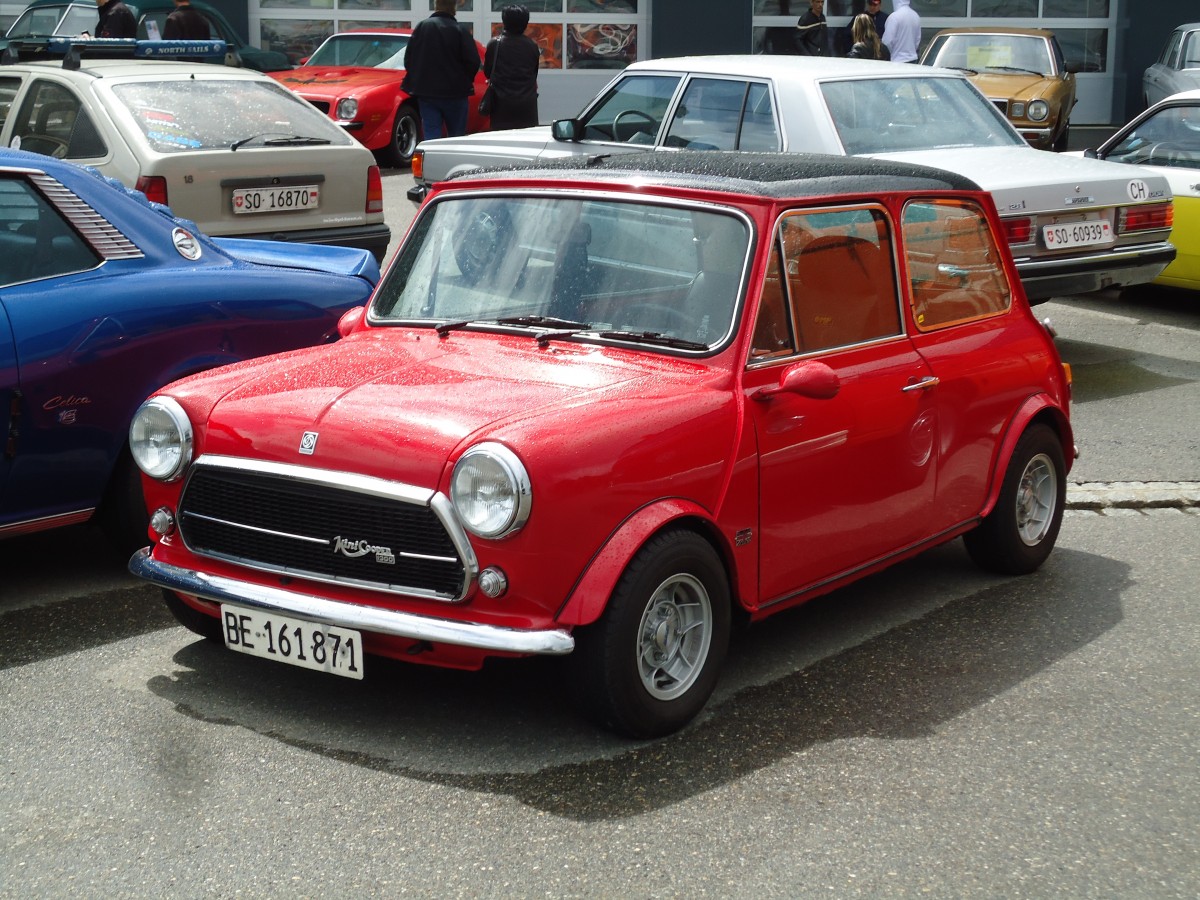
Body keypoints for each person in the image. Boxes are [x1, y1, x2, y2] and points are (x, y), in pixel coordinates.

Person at [403, 0, 482, 140]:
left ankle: (432, 160)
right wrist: (464, 80)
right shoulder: (460, 30)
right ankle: (453, 160)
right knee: (456, 138)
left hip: (427, 94)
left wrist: (419, 78)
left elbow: (409, 60)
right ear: (454, 8)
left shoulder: (422, 27)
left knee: (431, 134)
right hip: (456, 94)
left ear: (436, 6)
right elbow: (473, 61)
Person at [483, 5, 540, 130]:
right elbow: (534, 74)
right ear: (525, 23)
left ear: (504, 22)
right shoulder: (532, 46)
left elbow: (488, 73)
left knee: (501, 142)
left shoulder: (495, 44)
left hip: (501, 105)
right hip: (527, 106)